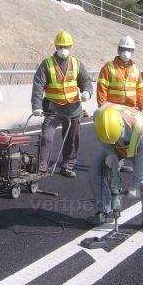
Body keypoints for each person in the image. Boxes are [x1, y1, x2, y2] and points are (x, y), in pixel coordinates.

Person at [89, 103, 143, 234]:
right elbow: (104, 140)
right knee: (96, 171)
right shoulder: (99, 118)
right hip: (117, 147)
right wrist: (111, 154)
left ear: (121, 126)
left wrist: (135, 186)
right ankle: (103, 210)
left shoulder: (142, 131)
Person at [31, 30, 93, 178]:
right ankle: (42, 167)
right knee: (47, 137)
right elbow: (38, 86)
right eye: (60, 46)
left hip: (73, 109)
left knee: (72, 139)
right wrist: (37, 106)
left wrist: (87, 93)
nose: (63, 49)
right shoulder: (47, 64)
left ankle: (67, 165)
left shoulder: (76, 63)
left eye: (66, 46)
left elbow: (86, 82)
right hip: (53, 109)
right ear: (56, 46)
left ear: (71, 47)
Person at [97, 36, 143, 115]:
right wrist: (102, 107)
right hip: (113, 110)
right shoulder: (108, 67)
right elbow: (101, 90)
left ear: (133, 51)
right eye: (123, 49)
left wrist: (142, 107)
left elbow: (140, 90)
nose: (126, 52)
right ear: (118, 50)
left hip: (131, 111)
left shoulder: (135, 68)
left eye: (129, 49)